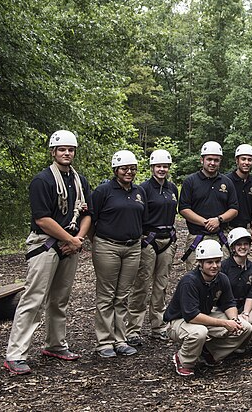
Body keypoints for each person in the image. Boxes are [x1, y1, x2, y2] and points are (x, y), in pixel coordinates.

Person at [4, 130, 92, 375]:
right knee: (34, 299)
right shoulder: (42, 181)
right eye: (62, 149)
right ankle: (16, 354)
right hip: (45, 244)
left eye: (70, 149)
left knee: (60, 299)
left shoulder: (79, 181)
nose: (67, 153)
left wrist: (78, 239)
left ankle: (55, 343)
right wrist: (71, 241)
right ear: (53, 152)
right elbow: (42, 219)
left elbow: (87, 214)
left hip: (70, 242)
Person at [164, 239, 252, 377]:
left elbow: (228, 303)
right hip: (179, 321)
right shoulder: (189, 281)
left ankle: (209, 353)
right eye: (209, 262)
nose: (214, 266)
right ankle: (183, 360)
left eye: (217, 261)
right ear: (200, 263)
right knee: (199, 332)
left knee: (245, 327)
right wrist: (225, 323)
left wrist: (234, 320)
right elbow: (192, 316)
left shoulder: (221, 278)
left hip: (204, 315)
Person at [90, 149, 147, 358]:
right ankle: (104, 341)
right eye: (124, 168)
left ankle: (120, 339)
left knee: (123, 296)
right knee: (106, 295)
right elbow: (90, 219)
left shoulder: (139, 191)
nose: (129, 172)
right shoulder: (104, 191)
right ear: (116, 169)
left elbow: (143, 219)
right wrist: (96, 241)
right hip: (107, 246)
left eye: (132, 169)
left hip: (132, 248)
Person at [127, 149, 179, 346]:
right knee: (141, 285)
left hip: (167, 240)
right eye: (158, 166)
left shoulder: (172, 189)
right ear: (151, 167)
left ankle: (158, 326)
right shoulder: (143, 189)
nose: (162, 169)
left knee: (161, 285)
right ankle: (133, 329)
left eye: (165, 166)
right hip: (149, 240)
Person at [178, 141, 239, 269]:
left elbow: (234, 209)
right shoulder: (191, 181)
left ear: (220, 161)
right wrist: (205, 222)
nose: (212, 163)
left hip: (220, 236)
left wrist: (219, 219)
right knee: (195, 275)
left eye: (216, 160)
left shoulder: (227, 182)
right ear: (202, 160)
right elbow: (184, 208)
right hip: (197, 236)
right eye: (209, 159)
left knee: (221, 273)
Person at [220, 227, 252, 345]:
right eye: (239, 244)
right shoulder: (223, 267)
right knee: (237, 324)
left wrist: (245, 313)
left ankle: (241, 343)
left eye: (246, 244)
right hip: (225, 308)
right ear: (233, 247)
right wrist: (234, 315)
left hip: (244, 305)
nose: (243, 247)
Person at [226, 143, 252, 241]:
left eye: (249, 160)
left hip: (246, 229)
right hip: (227, 229)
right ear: (237, 160)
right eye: (243, 159)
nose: (246, 162)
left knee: (251, 256)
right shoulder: (226, 181)